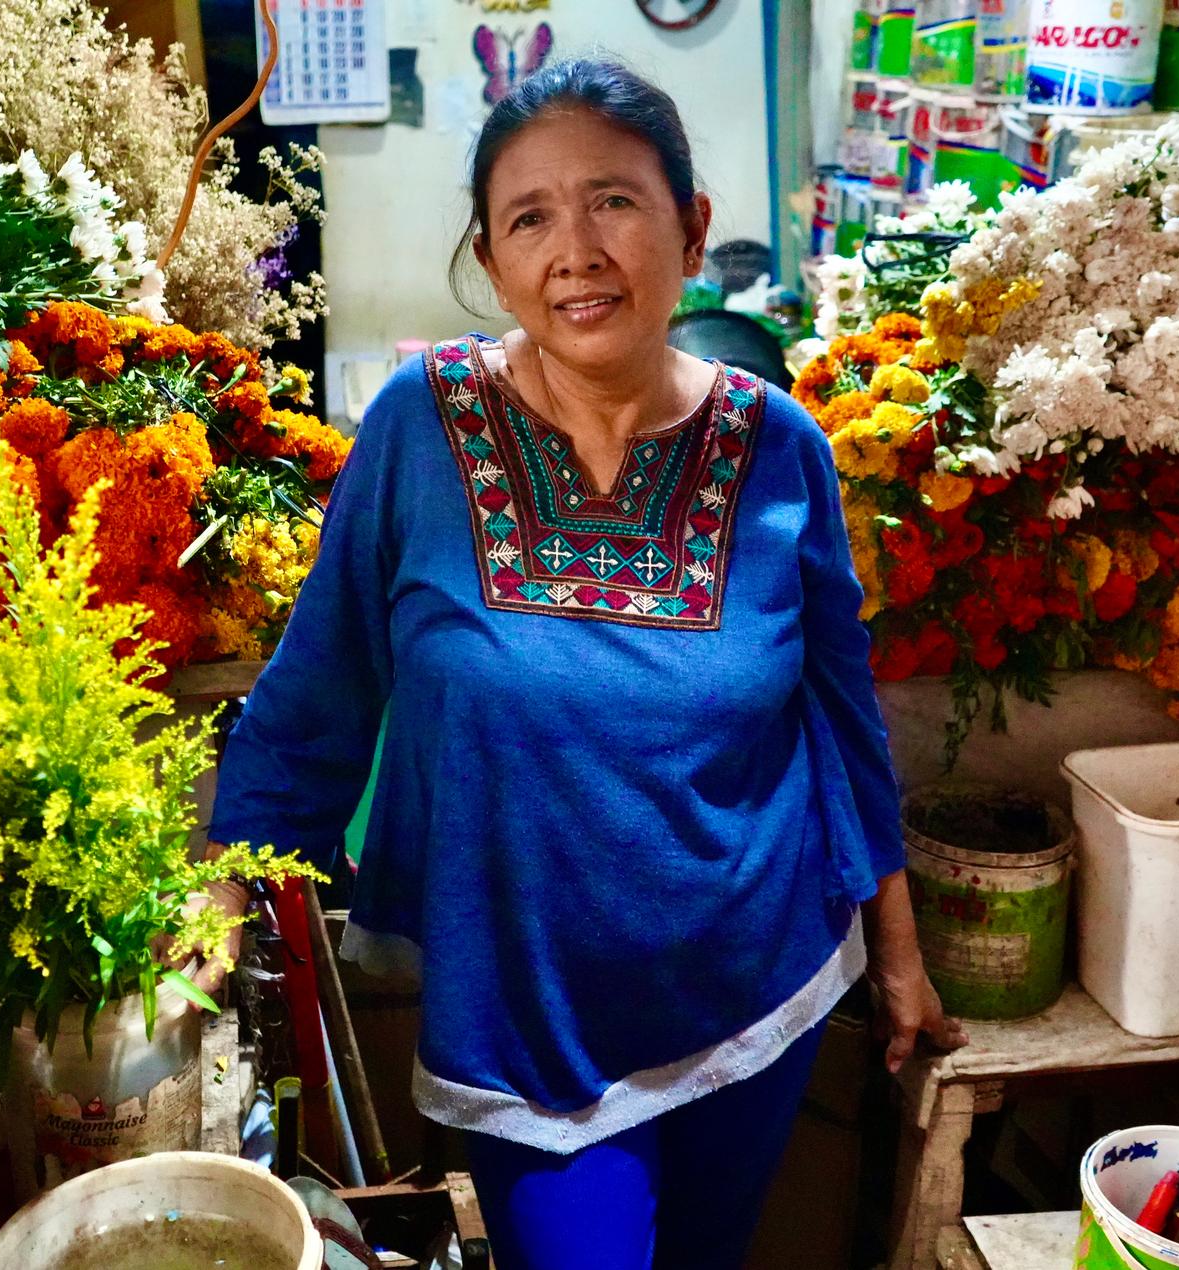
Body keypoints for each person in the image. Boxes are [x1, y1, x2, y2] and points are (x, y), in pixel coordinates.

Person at [197, 58, 967, 1270]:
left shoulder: (778, 447)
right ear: (491, 259)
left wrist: (901, 958)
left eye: (613, 200)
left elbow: (838, 716)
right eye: (529, 217)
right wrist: (219, 904)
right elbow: (317, 691)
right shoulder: (419, 425)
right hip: (521, 1020)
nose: (576, 251)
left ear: (689, 227)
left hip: (753, 991)